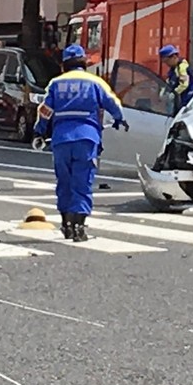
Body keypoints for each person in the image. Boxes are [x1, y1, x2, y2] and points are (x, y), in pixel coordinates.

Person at [34, 44, 127, 243]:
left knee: (64, 181)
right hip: (87, 137)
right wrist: (120, 119)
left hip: (61, 139)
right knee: (82, 182)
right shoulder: (95, 82)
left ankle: (66, 223)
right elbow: (113, 103)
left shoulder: (55, 83)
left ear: (64, 64)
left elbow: (45, 110)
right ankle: (79, 226)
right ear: (84, 62)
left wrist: (39, 131)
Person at [159, 44, 193, 109]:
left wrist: (174, 93)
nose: (166, 64)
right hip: (180, 100)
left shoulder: (182, 67)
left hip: (186, 100)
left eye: (166, 61)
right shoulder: (173, 68)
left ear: (174, 57)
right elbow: (168, 82)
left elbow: (184, 84)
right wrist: (162, 93)